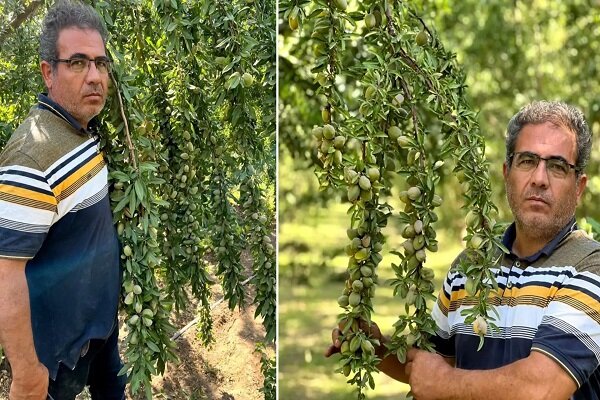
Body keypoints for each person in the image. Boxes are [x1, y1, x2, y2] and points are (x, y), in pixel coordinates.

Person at [326, 101, 600, 400]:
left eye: (558, 167)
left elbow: (540, 389)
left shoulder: (589, 268)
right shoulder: (470, 267)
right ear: (507, 173)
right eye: (527, 161)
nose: (539, 178)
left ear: (578, 187)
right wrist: (376, 345)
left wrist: (444, 383)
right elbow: (434, 366)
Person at [0, 1, 126, 399]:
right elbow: (5, 276)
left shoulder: (81, 129)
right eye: (77, 62)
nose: (94, 76)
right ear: (47, 72)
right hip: (59, 356)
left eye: (100, 63)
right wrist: (26, 373)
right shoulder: (30, 157)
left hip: (100, 330)